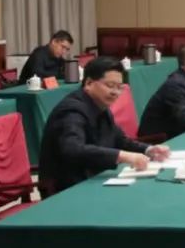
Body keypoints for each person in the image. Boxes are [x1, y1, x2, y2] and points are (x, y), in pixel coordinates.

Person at [37, 56, 170, 197]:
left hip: (93, 178)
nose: (115, 92)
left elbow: (119, 139)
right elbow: (73, 149)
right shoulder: (71, 110)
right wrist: (122, 156)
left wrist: (148, 149)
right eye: (110, 85)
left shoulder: (99, 105)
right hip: (67, 189)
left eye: (119, 87)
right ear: (89, 83)